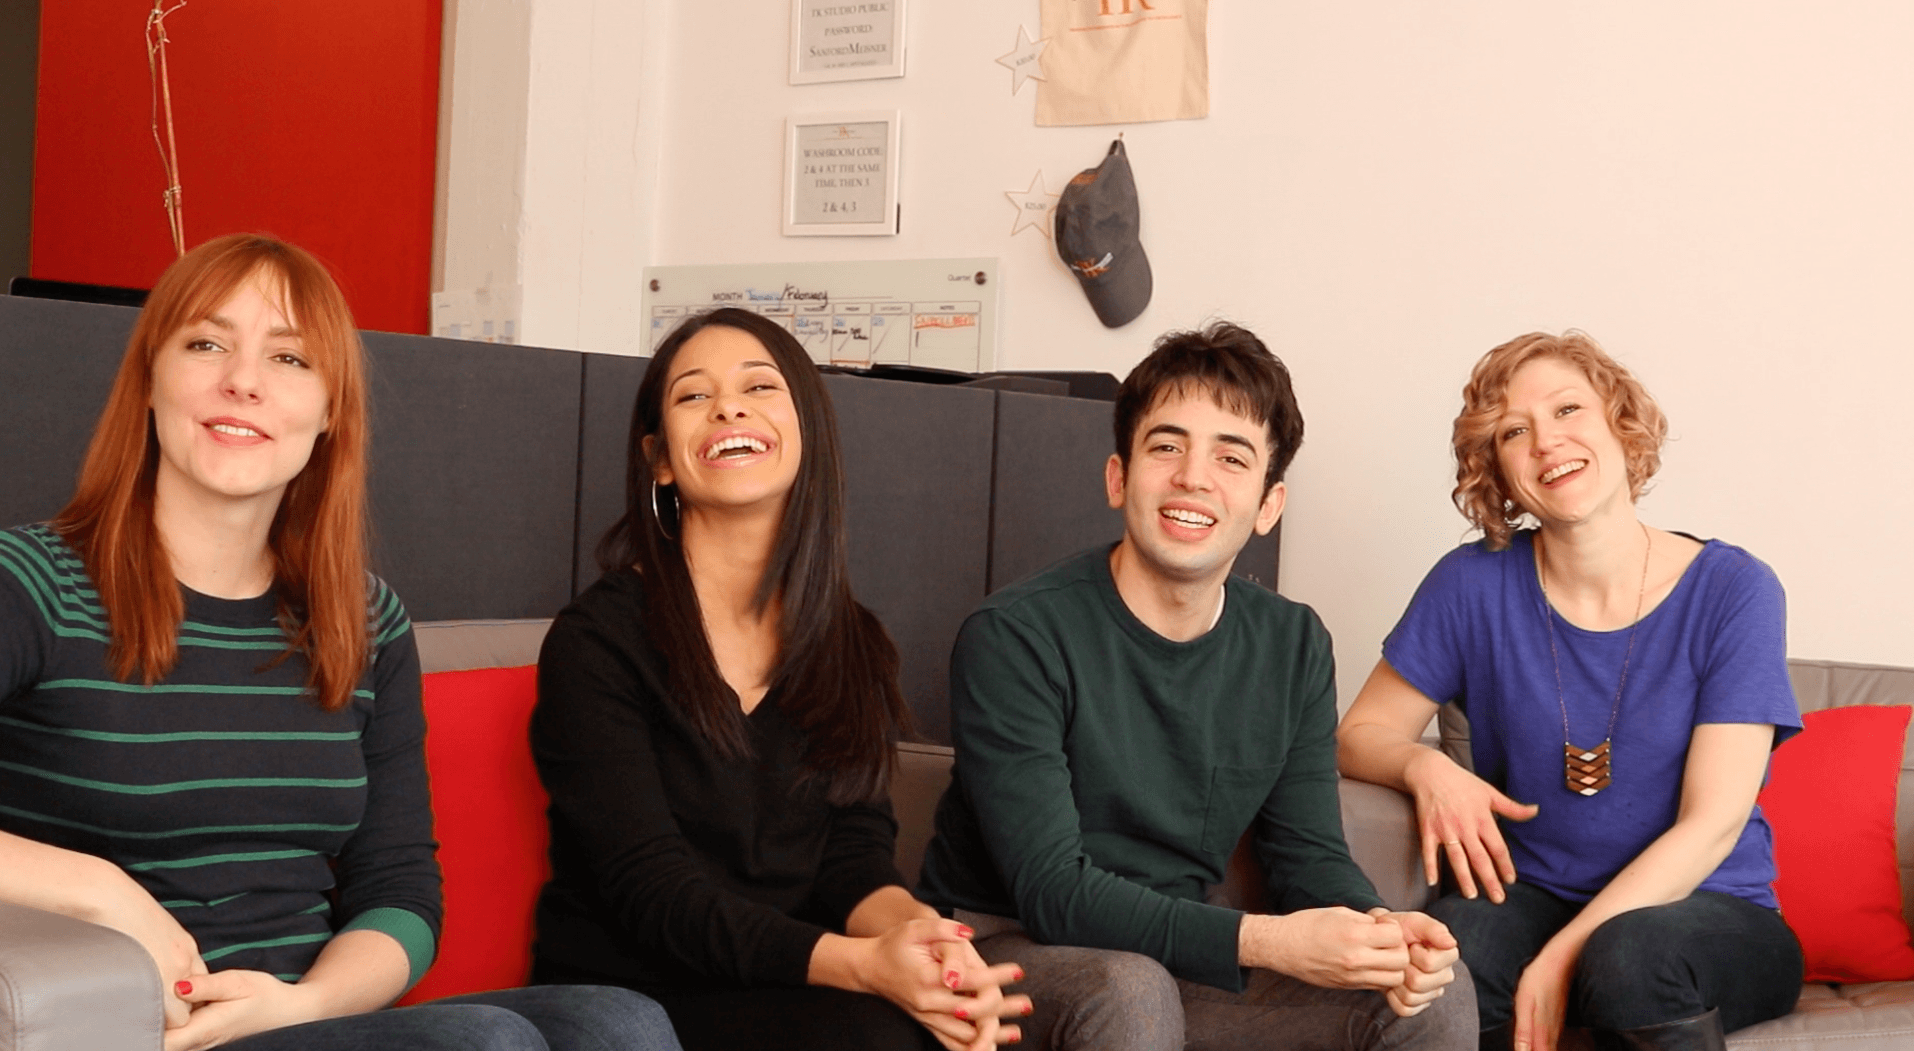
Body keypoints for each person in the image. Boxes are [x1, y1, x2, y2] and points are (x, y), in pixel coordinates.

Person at [0, 234, 679, 1051]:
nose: (242, 380)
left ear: (329, 412)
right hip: (146, 1026)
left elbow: (399, 891)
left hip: (305, 1020)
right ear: (149, 378)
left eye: (289, 360)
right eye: (206, 343)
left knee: (622, 1021)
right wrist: (98, 890)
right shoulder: (32, 582)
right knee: (483, 1044)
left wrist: (306, 1001)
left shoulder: (361, 621)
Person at [914, 322, 1473, 1051]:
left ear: (1269, 504)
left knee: (1431, 999)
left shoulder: (1293, 644)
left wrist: (1376, 931)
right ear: (1119, 477)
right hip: (1008, 949)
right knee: (1131, 990)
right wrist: (1268, 942)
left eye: (1230, 457)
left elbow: (1308, 856)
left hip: (1180, 953)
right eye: (1167, 446)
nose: (1193, 476)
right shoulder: (1016, 635)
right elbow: (1052, 892)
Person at [529, 307, 1031, 1051]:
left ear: (807, 431)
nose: (729, 405)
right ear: (660, 458)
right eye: (693, 395)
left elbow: (852, 860)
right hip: (628, 988)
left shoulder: (851, 641)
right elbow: (652, 891)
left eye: (760, 386)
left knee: (952, 1024)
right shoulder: (597, 639)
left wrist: (931, 949)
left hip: (783, 980)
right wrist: (862, 965)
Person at [1336, 331, 1803, 1051]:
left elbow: (1711, 823)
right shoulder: (1471, 584)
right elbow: (1358, 733)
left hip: (1711, 909)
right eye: (1515, 431)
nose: (1547, 442)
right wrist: (1425, 766)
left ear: (1621, 423)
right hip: (1534, 892)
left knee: (1625, 958)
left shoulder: (1734, 589)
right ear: (1497, 467)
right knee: (1447, 955)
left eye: (1568, 410)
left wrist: (1565, 953)